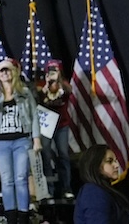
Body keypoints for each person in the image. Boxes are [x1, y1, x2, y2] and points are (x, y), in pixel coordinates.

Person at [0, 58, 41, 224]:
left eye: (8, 70)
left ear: (13, 72)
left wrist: (36, 139)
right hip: (1, 143)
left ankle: (23, 215)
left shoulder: (24, 91)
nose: (5, 73)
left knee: (21, 178)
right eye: (2, 71)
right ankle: (11, 216)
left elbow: (34, 115)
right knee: (7, 180)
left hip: (22, 140)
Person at [37, 59, 73, 198]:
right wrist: (47, 84)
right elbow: (39, 96)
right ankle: (49, 190)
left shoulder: (64, 85)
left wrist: (59, 80)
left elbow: (69, 92)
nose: (52, 72)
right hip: (46, 126)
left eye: (55, 69)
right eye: (50, 69)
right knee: (46, 156)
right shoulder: (41, 85)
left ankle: (67, 188)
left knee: (63, 155)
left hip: (62, 125)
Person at [73, 144, 129, 224]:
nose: (116, 165)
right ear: (96, 165)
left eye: (115, 161)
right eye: (110, 161)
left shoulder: (100, 190)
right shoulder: (93, 192)